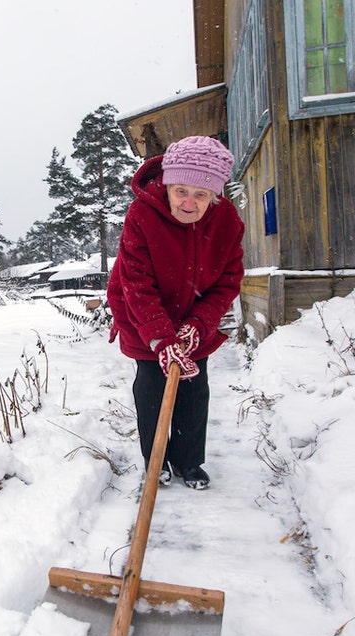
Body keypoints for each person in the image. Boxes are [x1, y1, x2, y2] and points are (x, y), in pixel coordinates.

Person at [106, 135, 244, 490]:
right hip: (144, 318)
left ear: (214, 196)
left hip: (194, 323)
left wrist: (200, 323)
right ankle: (157, 459)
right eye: (181, 190)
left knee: (195, 390)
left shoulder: (227, 221)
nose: (188, 202)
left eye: (201, 195)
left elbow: (228, 280)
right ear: (167, 185)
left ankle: (189, 461)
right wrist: (162, 338)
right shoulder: (142, 215)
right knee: (152, 388)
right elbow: (136, 283)